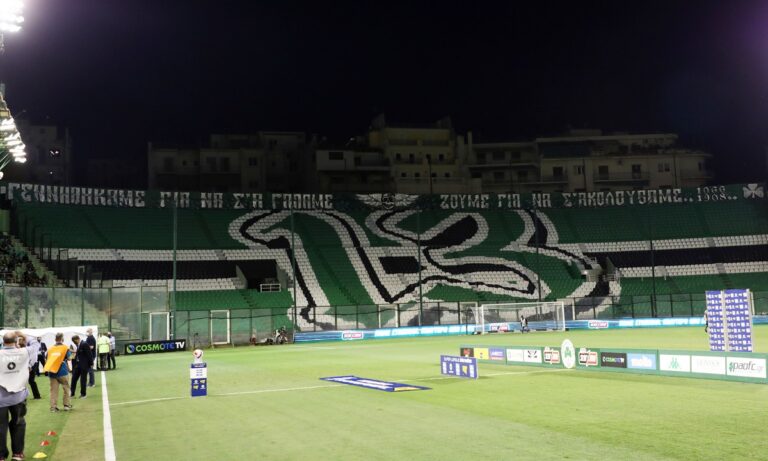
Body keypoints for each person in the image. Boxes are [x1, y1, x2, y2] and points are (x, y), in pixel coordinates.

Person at [0, 332, 31, 461]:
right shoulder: (25, 352)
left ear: (3, 341)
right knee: (18, 423)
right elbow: (34, 344)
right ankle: (17, 453)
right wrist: (22, 336)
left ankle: (1, 455)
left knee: (0, 426)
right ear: (16, 341)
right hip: (18, 396)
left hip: (1, 397)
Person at [43, 333, 72, 413]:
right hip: (63, 371)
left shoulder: (50, 349)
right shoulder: (65, 347)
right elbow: (69, 358)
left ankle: (53, 407)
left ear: (55, 339)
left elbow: (46, 358)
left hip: (52, 371)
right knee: (66, 388)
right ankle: (66, 405)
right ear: (62, 339)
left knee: (53, 391)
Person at [23, 336, 41, 400]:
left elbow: (33, 358)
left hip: (31, 365)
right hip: (31, 364)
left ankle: (36, 396)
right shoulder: (31, 346)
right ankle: (36, 396)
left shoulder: (31, 347)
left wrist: (29, 366)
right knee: (30, 381)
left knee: (30, 381)